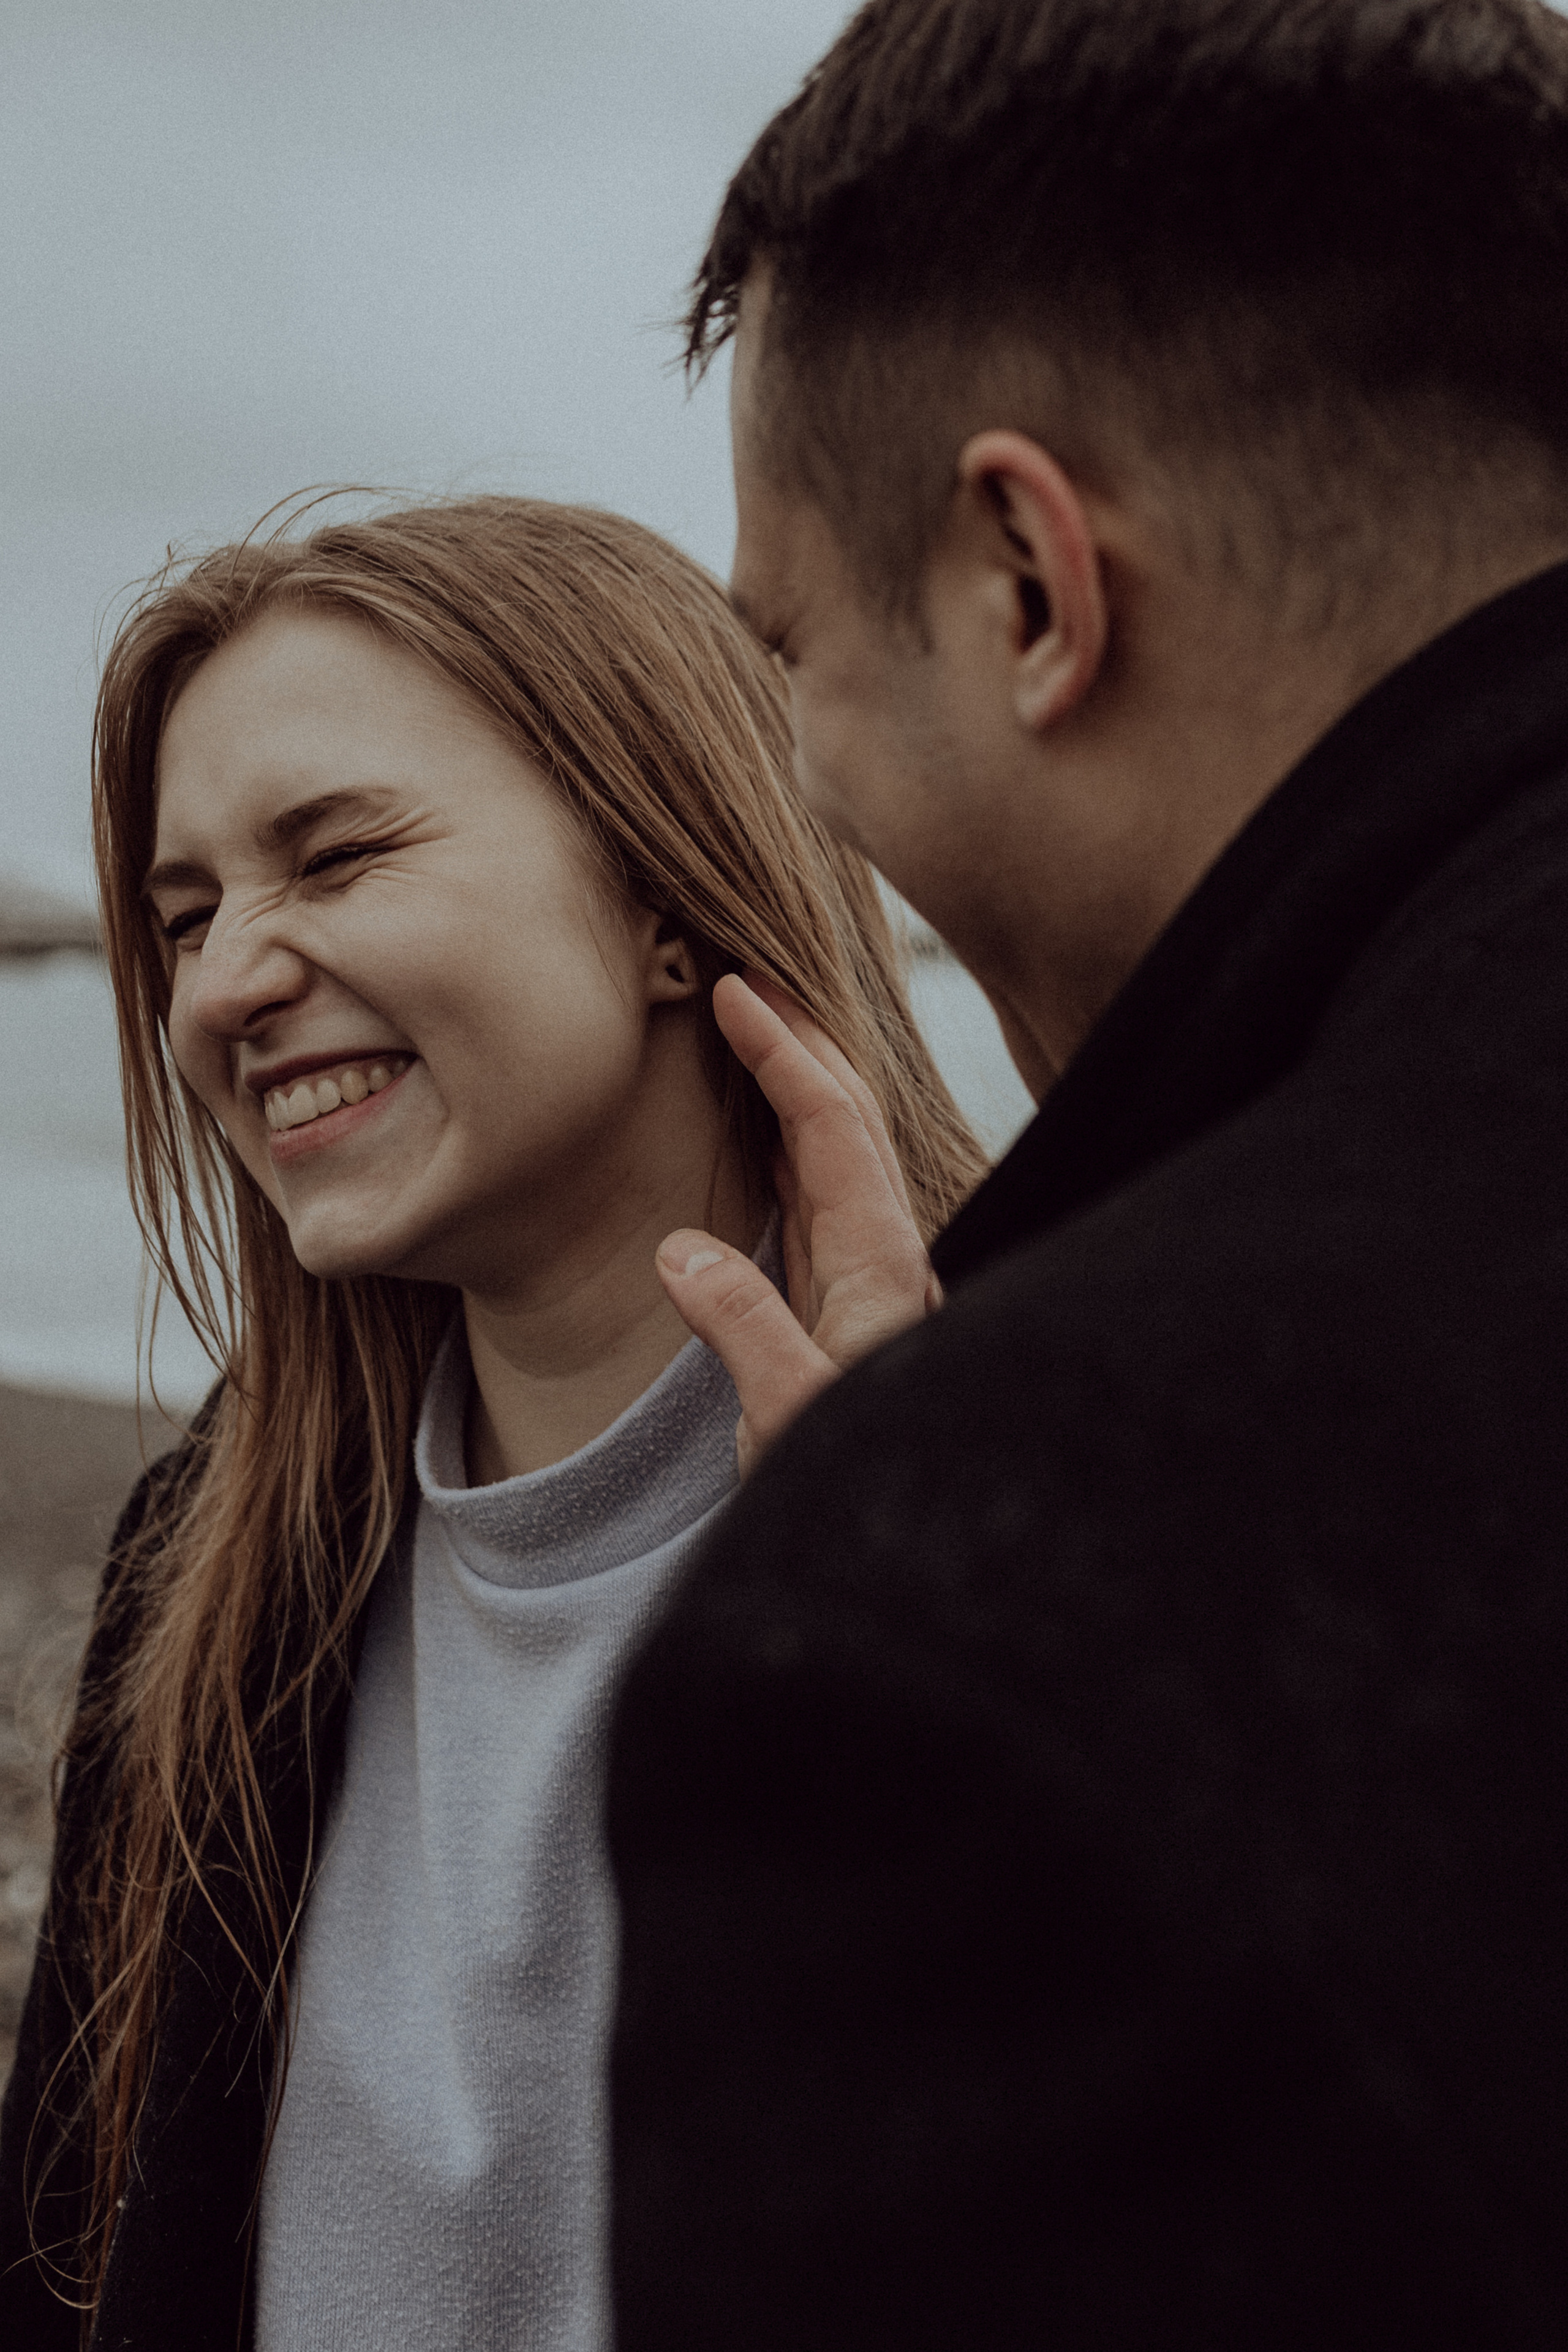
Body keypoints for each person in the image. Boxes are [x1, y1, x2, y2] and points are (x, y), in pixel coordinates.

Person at [604, 2, 1568, 2345]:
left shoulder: (1006, 1613)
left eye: (794, 655)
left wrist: (968, 1528)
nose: (812, 796)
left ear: (1029, 583)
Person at [0, 493, 984, 2350]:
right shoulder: (209, 1570)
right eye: (186, 914)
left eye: (338, 856)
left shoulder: (1068, 1491)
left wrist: (898, 1623)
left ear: (668, 901)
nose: (222, 985)